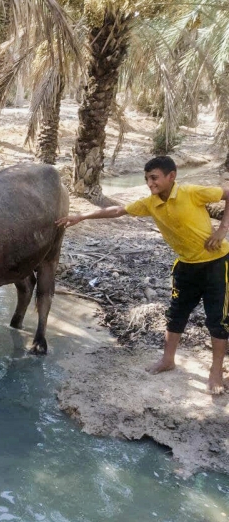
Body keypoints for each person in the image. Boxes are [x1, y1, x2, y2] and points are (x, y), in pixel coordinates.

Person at [56, 156, 229, 394]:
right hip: (185, 266)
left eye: (154, 178)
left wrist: (222, 229)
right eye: (147, 179)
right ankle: (167, 360)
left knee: (217, 320)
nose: (150, 183)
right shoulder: (150, 203)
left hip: (217, 264)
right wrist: (82, 216)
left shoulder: (191, 192)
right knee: (176, 314)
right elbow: (118, 210)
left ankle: (216, 371)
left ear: (172, 176)